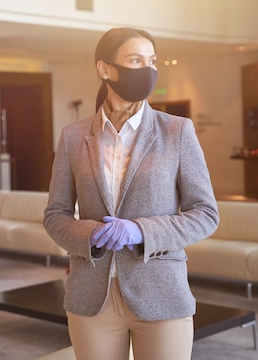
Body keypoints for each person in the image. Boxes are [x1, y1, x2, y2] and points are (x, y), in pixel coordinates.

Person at [43, 27, 220, 360]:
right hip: (91, 297)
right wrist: (91, 233)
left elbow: (206, 214)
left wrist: (140, 230)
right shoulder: (73, 137)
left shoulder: (177, 131)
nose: (148, 70)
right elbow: (55, 215)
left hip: (162, 294)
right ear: (105, 69)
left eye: (152, 61)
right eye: (136, 60)